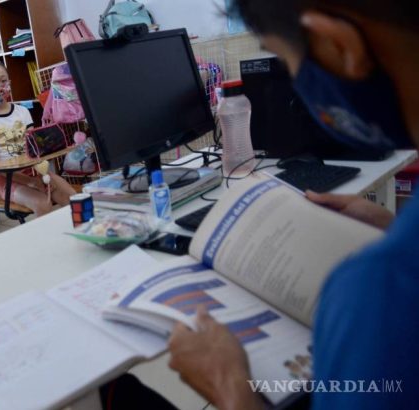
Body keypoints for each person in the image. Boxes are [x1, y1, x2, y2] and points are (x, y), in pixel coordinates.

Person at [167, 1, 419, 409]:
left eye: (288, 61)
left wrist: (231, 389)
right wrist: (395, 230)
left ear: (338, 46)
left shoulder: (380, 293)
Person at [0, 60, 76, 216]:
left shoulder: (22, 112)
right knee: (42, 203)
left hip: (36, 171)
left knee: (73, 197)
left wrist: (43, 174)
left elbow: (36, 151)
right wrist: (32, 182)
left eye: (3, 80)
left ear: (9, 83)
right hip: (8, 181)